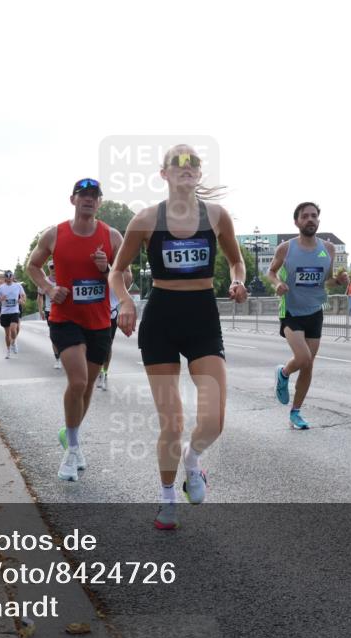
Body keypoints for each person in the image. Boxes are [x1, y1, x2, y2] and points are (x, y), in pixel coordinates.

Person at [110, 146, 247, 530]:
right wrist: (124, 302)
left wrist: (237, 280)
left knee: (214, 420)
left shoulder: (217, 217)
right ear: (164, 174)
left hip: (203, 317)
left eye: (193, 164)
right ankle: (167, 496)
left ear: (199, 175)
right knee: (171, 422)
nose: (186, 169)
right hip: (162, 319)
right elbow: (116, 272)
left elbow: (237, 260)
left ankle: (192, 459)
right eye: (178, 164)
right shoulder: (146, 219)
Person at [28, 177, 126, 483]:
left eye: (93, 196)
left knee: (88, 386)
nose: (88, 200)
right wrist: (48, 286)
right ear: (73, 200)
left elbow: (128, 279)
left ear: (99, 202)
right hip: (65, 318)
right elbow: (33, 266)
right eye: (82, 195)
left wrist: (106, 270)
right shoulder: (54, 234)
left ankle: (71, 435)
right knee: (78, 379)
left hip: (99, 322)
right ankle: (71, 451)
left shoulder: (112, 237)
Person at [267, 202, 349, 430]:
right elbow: (271, 272)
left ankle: (296, 412)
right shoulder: (286, 248)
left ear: (318, 221)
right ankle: (283, 373)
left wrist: (338, 281)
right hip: (291, 310)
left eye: (314, 216)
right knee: (303, 358)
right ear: (297, 221)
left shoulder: (328, 249)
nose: (310, 219)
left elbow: (327, 280)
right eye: (305, 216)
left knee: (308, 365)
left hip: (315, 311)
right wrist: (278, 283)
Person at [96, 269, 133, 391]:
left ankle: (104, 372)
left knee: (107, 345)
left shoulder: (118, 259)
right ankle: (94, 370)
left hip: (110, 311)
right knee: (89, 343)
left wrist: (111, 271)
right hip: (92, 308)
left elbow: (128, 278)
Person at [0, 270, 26, 358]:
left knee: (13, 329)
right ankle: (8, 351)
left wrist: (21, 301)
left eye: (10, 277)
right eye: (7, 277)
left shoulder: (18, 286)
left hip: (14, 311)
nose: (9, 279)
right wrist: (0, 298)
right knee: (7, 334)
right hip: (5, 313)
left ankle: (14, 342)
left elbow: (23, 296)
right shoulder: (1, 288)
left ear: (13, 277)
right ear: (5, 278)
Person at [38, 260, 62, 369]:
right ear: (49, 269)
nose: (54, 269)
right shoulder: (45, 282)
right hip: (50, 311)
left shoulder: (64, 278)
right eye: (52, 267)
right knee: (55, 336)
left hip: (65, 310)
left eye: (56, 266)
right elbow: (40, 296)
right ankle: (58, 359)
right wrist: (41, 310)